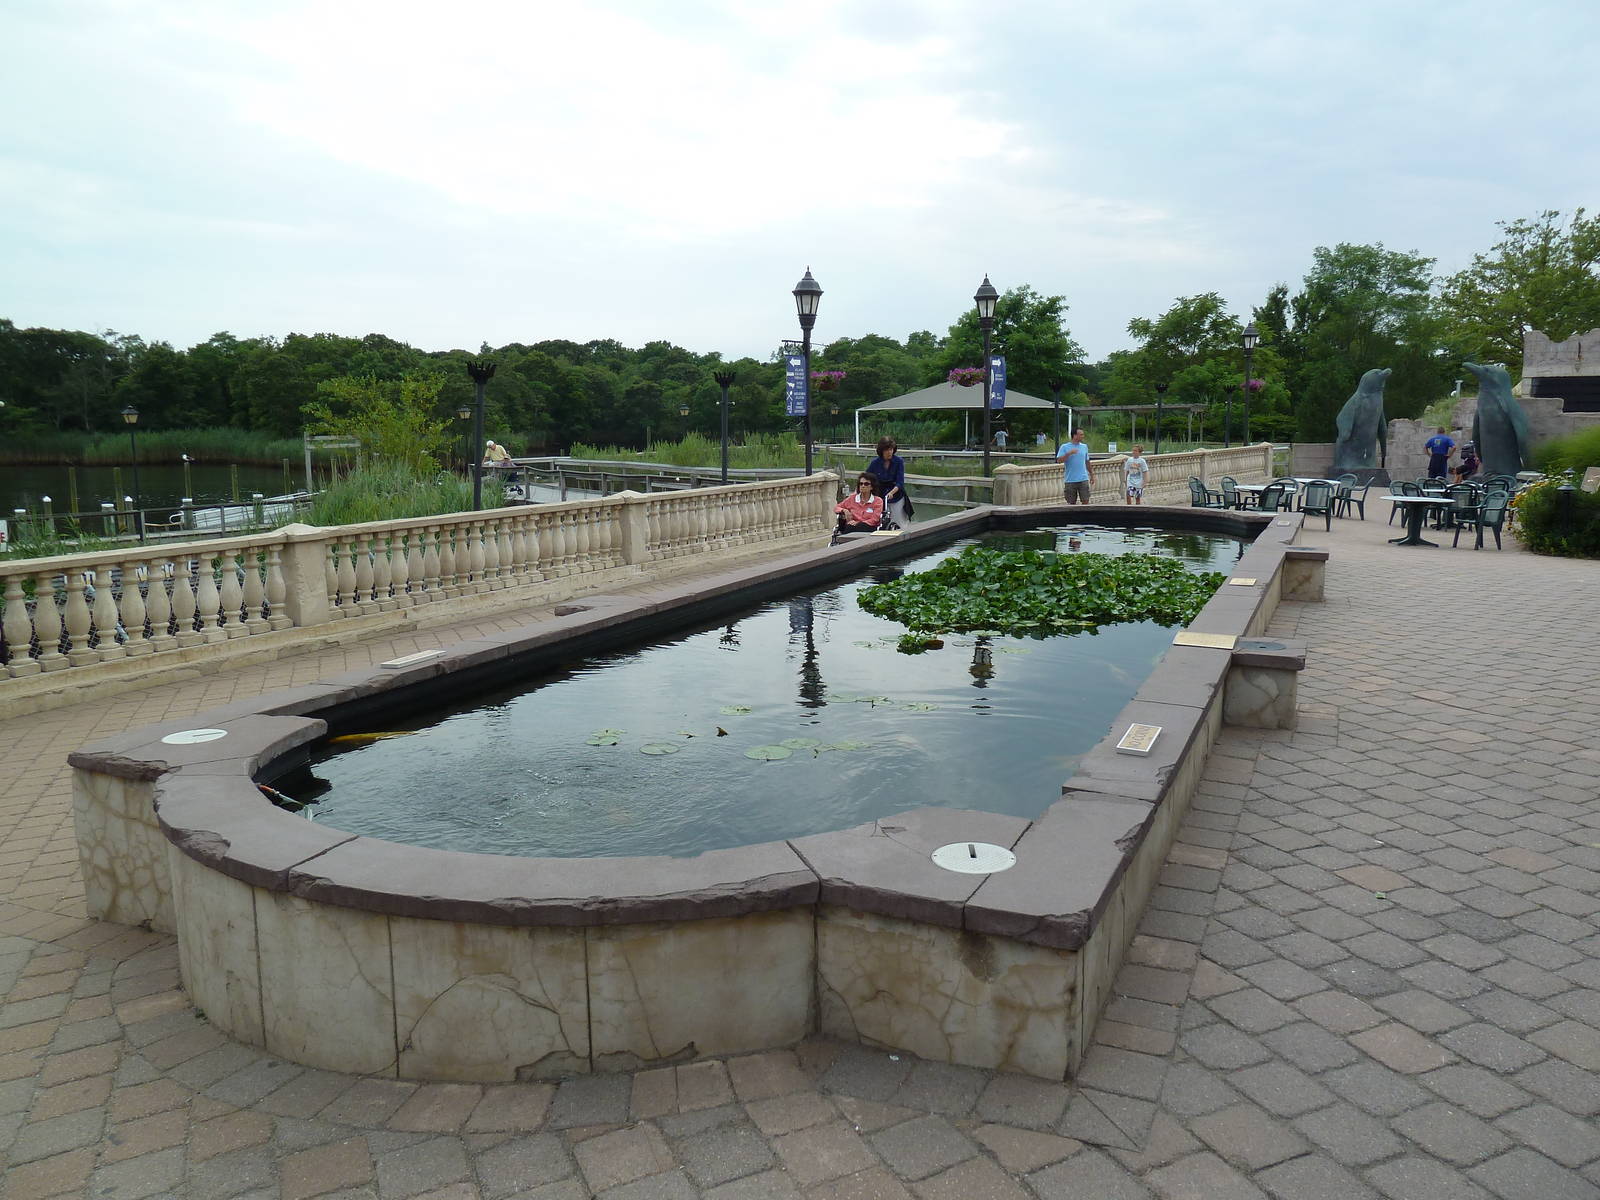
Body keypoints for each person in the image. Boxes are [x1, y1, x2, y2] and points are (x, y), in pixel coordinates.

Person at [864, 437, 912, 528]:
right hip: (880, 494)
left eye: (891, 449)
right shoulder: (875, 463)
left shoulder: (899, 461)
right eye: (887, 450)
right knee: (880, 520)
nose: (889, 452)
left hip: (896, 494)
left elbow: (900, 481)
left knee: (899, 521)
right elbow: (866, 478)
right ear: (881, 451)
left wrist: (892, 492)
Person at [1056, 427, 1094, 504]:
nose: (1083, 436)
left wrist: (1092, 475)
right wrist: (1069, 453)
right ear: (1075, 435)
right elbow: (1059, 460)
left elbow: (1087, 461)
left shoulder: (1084, 446)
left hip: (1083, 479)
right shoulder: (1064, 447)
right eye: (1081, 434)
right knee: (1071, 503)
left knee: (1086, 501)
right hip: (1070, 480)